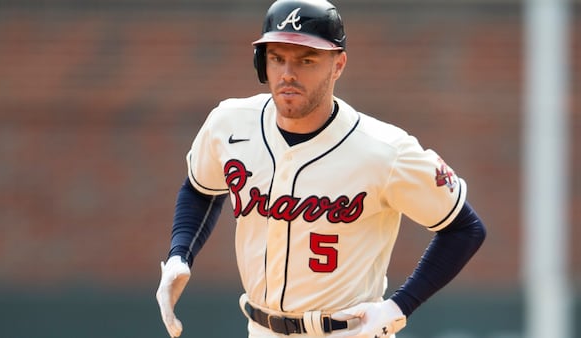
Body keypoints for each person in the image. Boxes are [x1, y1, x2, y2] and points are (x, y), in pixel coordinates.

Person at [156, 0, 487, 337]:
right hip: (259, 329)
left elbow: (465, 228)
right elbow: (201, 189)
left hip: (346, 331)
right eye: (277, 58)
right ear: (261, 62)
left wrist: (399, 306)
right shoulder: (229, 124)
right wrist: (180, 254)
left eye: (307, 60)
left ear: (338, 65)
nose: (288, 73)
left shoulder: (385, 149)